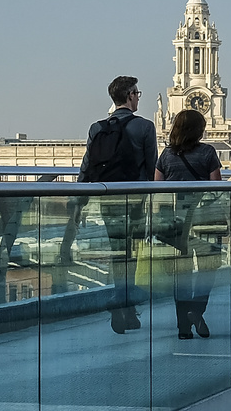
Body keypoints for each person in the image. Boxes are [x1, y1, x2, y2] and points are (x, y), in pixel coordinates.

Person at [80, 75, 158, 334]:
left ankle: (123, 305)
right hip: (134, 199)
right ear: (129, 95)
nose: (138, 97)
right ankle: (124, 305)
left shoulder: (96, 128)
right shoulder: (145, 127)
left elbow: (86, 166)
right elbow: (151, 170)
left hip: (107, 199)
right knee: (130, 254)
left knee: (117, 252)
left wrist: (78, 202)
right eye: (137, 93)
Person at [154, 109, 223, 340]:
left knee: (180, 275)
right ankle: (197, 308)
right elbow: (217, 189)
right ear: (199, 130)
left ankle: (183, 328)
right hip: (203, 219)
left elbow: (157, 190)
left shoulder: (166, 155)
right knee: (208, 267)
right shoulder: (208, 153)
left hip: (176, 222)